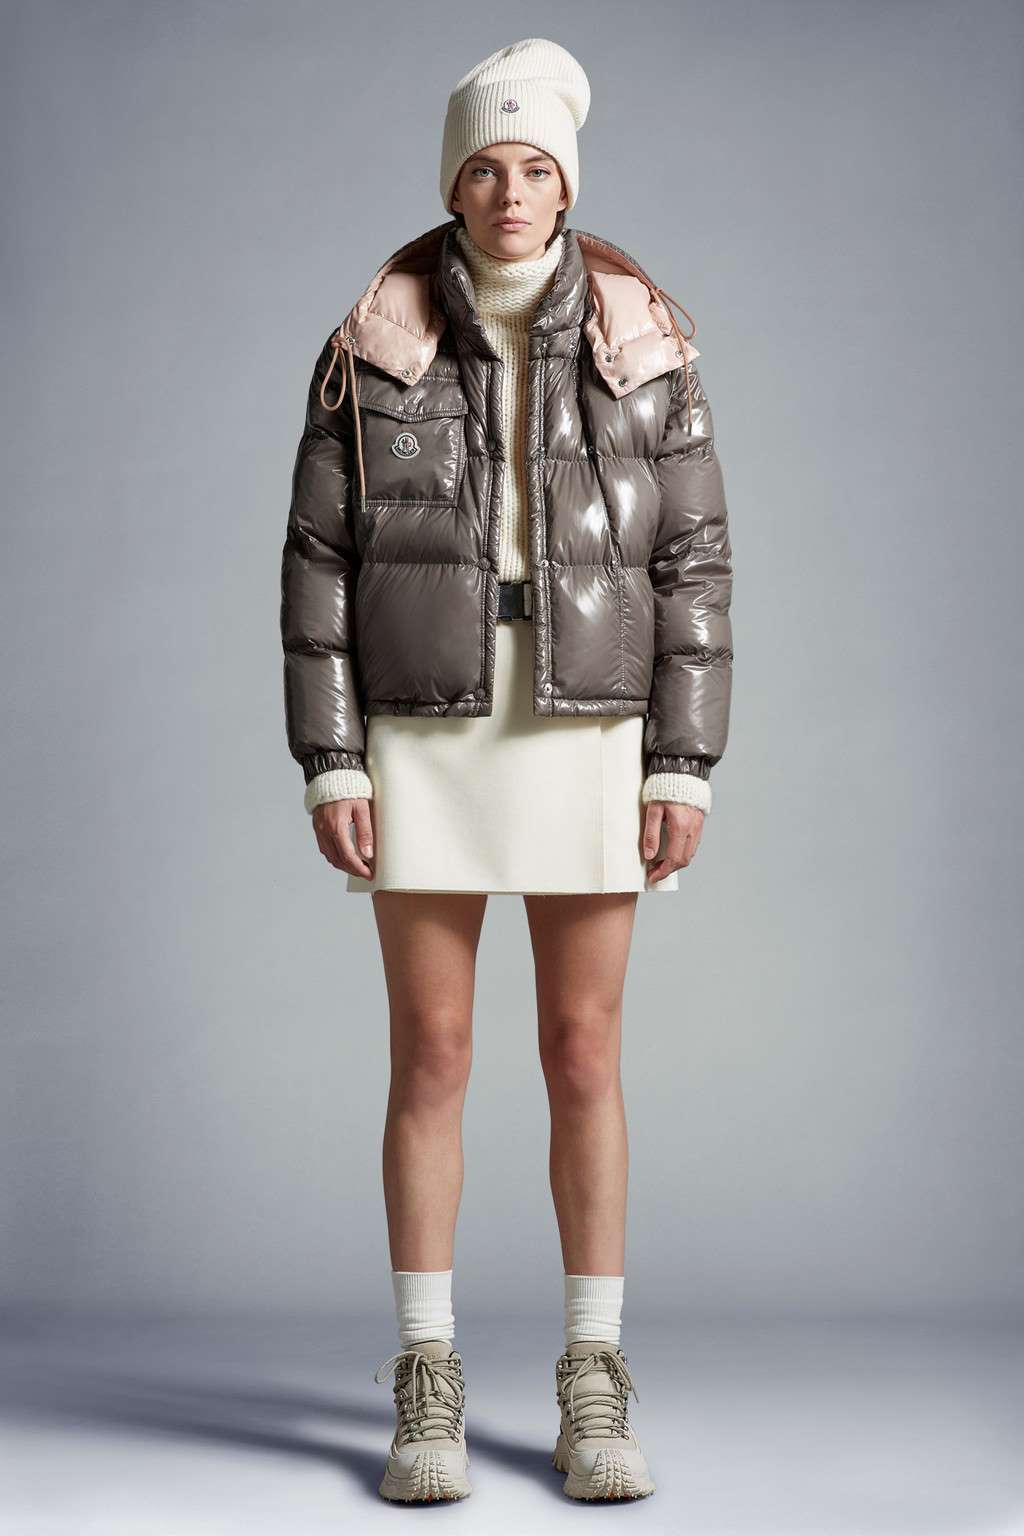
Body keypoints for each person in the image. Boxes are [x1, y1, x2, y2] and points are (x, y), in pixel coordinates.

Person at [279, 37, 734, 1503]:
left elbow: (694, 563)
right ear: (451, 182)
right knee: (433, 1054)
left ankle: (593, 1378)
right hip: (426, 723)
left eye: (537, 167)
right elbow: (317, 565)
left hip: (589, 720)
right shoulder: (373, 342)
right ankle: (427, 1381)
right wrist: (332, 759)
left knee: (583, 1052)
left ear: (569, 184)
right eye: (485, 166)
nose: (512, 192)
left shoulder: (647, 339)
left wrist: (682, 762)